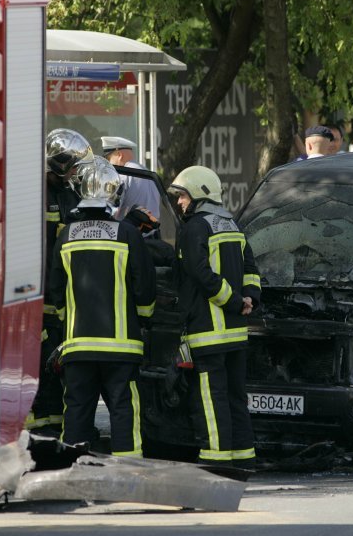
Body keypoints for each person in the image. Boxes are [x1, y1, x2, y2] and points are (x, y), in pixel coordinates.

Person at [49, 155, 156, 457]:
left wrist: (66, 321)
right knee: (123, 409)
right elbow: (145, 288)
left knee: (78, 410)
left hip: (78, 346)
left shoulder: (66, 236)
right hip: (121, 347)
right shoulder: (128, 235)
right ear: (113, 194)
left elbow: (56, 290)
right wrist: (144, 319)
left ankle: (72, 469)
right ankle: (126, 471)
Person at [168, 165, 261, 468]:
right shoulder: (231, 224)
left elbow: (200, 274)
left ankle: (217, 464)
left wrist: (234, 301)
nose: (179, 202)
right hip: (236, 334)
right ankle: (244, 460)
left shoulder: (195, 227)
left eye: (182, 196)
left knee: (211, 400)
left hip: (208, 334)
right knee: (236, 398)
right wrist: (249, 299)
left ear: (199, 194)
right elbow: (251, 269)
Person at [25, 128, 86, 441]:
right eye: (72, 164)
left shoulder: (68, 194)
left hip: (64, 300)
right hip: (40, 298)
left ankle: (55, 424)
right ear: (59, 163)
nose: (75, 171)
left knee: (57, 364)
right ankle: (34, 429)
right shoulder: (35, 194)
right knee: (38, 362)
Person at [103, 135, 161, 220]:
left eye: (108, 159)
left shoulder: (122, 175)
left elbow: (110, 211)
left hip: (129, 231)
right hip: (152, 231)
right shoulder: (148, 173)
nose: (108, 164)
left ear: (119, 155)